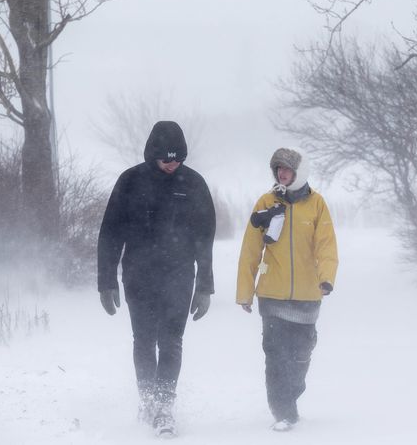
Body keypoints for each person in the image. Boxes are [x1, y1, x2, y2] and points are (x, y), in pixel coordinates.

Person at [97, 120, 216, 437]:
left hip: (179, 276)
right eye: (165, 159)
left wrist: (205, 285)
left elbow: (206, 239)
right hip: (138, 276)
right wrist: (106, 280)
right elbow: (110, 233)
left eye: (177, 158)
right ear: (153, 154)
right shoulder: (130, 181)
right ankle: (147, 401)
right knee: (144, 341)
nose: (171, 164)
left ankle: (163, 407)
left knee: (172, 342)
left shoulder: (194, 184)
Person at [236, 147, 338, 432]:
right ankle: (282, 410)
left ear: (299, 172)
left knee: (301, 355)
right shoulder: (266, 202)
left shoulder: (317, 205)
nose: (282, 173)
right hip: (271, 294)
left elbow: (327, 245)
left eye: (287, 169)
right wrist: (245, 292)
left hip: (308, 295)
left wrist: (326, 277)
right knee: (275, 354)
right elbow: (250, 250)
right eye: (278, 169)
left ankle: (290, 396)